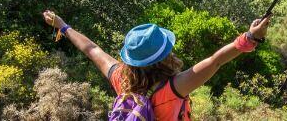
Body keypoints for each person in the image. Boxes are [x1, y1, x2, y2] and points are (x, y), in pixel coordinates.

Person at [42, 10, 270, 120]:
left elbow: (91, 50)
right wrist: (251, 37)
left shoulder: (121, 78)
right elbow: (216, 61)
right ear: (165, 56)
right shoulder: (174, 88)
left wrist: (63, 26)